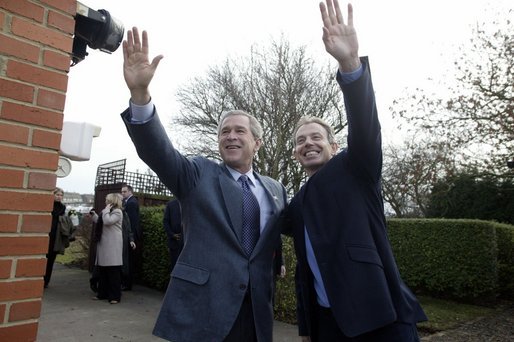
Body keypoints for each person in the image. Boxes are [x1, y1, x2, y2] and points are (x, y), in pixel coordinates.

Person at [120, 27, 288, 342]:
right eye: (225, 132)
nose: (231, 136)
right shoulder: (198, 174)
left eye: (239, 131)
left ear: (257, 142)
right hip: (204, 312)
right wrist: (140, 96)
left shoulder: (275, 189)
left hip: (256, 316)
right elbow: (159, 153)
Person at [282, 1, 427, 341]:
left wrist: (349, 64)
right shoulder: (297, 204)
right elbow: (306, 268)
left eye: (317, 137)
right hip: (329, 327)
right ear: (295, 153)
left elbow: (365, 126)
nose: (308, 143)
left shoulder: (356, 168)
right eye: (301, 140)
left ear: (334, 146)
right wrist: (306, 326)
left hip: (382, 318)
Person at [90, 193, 126, 304]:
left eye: (107, 199)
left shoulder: (118, 212)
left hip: (113, 245)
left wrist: (105, 211)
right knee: (103, 271)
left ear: (111, 201)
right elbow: (102, 221)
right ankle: (102, 294)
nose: (105, 201)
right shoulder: (107, 211)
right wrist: (94, 215)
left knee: (113, 272)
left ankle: (115, 296)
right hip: (105, 244)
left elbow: (108, 221)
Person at [44, 187, 74, 288]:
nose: (59, 197)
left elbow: (71, 220)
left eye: (61, 195)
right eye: (57, 195)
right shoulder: (47, 205)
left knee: (51, 259)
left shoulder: (63, 208)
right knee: (43, 258)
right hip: (47, 233)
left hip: (56, 236)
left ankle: (46, 281)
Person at [121, 184, 141, 290]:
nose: (122, 193)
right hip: (131, 235)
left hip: (131, 235)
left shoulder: (132, 203)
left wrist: (131, 237)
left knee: (128, 260)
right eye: (122, 192)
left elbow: (132, 222)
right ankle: (126, 282)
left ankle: (127, 284)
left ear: (130, 192)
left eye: (124, 192)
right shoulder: (128, 202)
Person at [163, 199, 183, 272]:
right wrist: (172, 235)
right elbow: (165, 221)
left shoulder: (190, 203)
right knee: (174, 267)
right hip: (174, 242)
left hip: (188, 243)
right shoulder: (170, 204)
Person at [272, 235, 286, 308]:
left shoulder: (272, 224)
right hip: (255, 264)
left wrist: (282, 264)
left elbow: (278, 243)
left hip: (271, 266)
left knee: (271, 295)